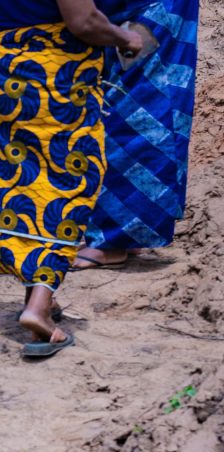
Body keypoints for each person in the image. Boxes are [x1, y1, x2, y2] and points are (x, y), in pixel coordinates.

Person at [0, 0, 143, 356]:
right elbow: (83, 21)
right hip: (57, 79)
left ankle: (35, 295)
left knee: (17, 184)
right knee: (69, 187)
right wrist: (123, 37)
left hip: (3, 75)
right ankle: (38, 310)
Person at [74, 0, 199, 270]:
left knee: (133, 107)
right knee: (142, 99)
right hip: (146, 9)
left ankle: (113, 240)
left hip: (147, 10)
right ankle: (127, 232)